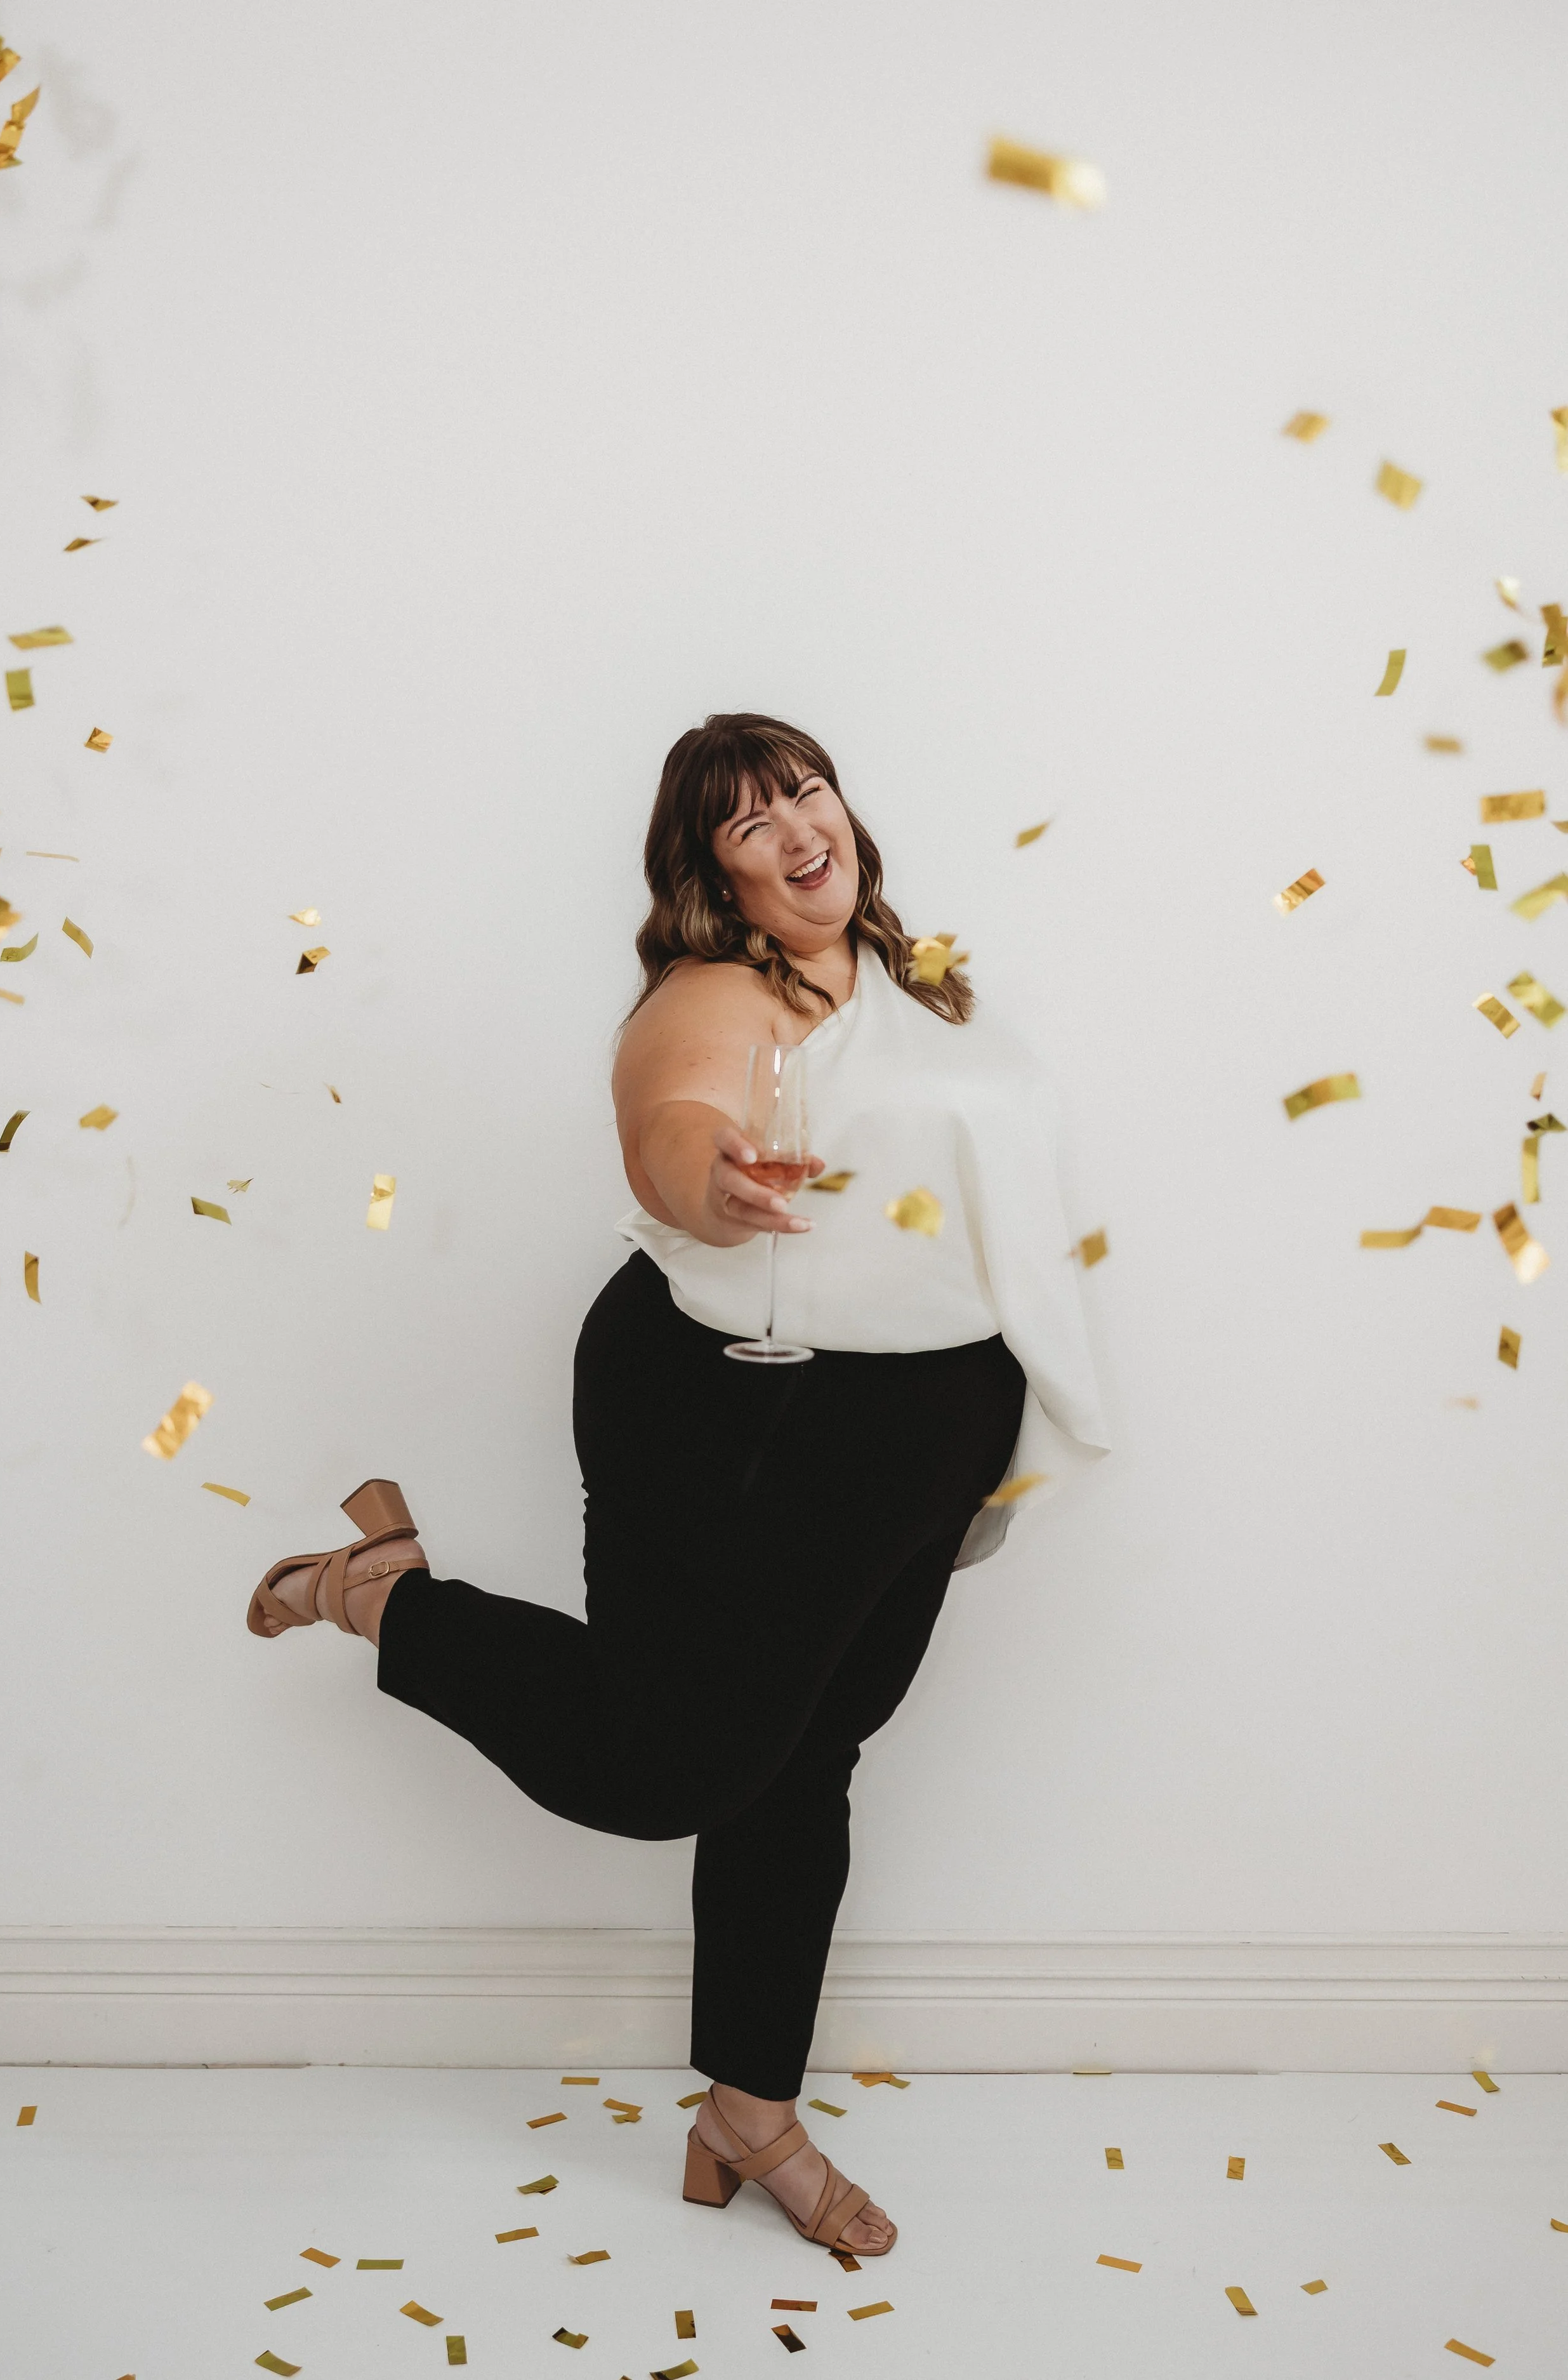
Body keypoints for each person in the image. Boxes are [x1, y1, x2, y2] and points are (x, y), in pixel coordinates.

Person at [246, 712, 1107, 2258]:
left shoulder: (922, 989)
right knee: (666, 1767)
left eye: (804, 793)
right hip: (727, 1404)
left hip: (923, 1422)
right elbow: (675, 1117)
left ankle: (747, 2111)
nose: (794, 830)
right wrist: (707, 1178)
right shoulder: (717, 993)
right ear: (708, 877)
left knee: (806, 1758)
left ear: (844, 808)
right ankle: (384, 1599)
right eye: (744, 823)